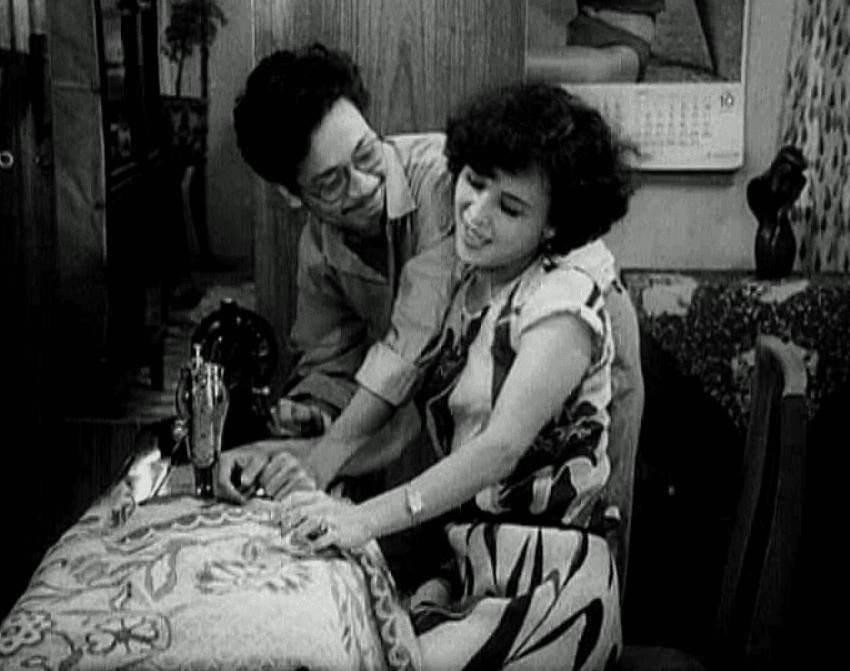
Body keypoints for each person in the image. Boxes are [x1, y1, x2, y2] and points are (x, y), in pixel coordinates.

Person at [275, 81, 635, 670]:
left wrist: (363, 518)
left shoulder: (563, 302)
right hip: (475, 559)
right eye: (474, 181)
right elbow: (404, 407)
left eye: (510, 208)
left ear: (553, 225)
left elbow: (498, 449)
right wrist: (311, 465)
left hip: (549, 576)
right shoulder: (469, 282)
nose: (475, 212)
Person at [225, 43, 458, 588]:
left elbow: (413, 344)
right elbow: (329, 360)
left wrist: (317, 460)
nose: (364, 186)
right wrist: (306, 418)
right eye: (330, 182)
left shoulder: (442, 179)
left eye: (367, 154)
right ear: (291, 194)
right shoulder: (319, 247)